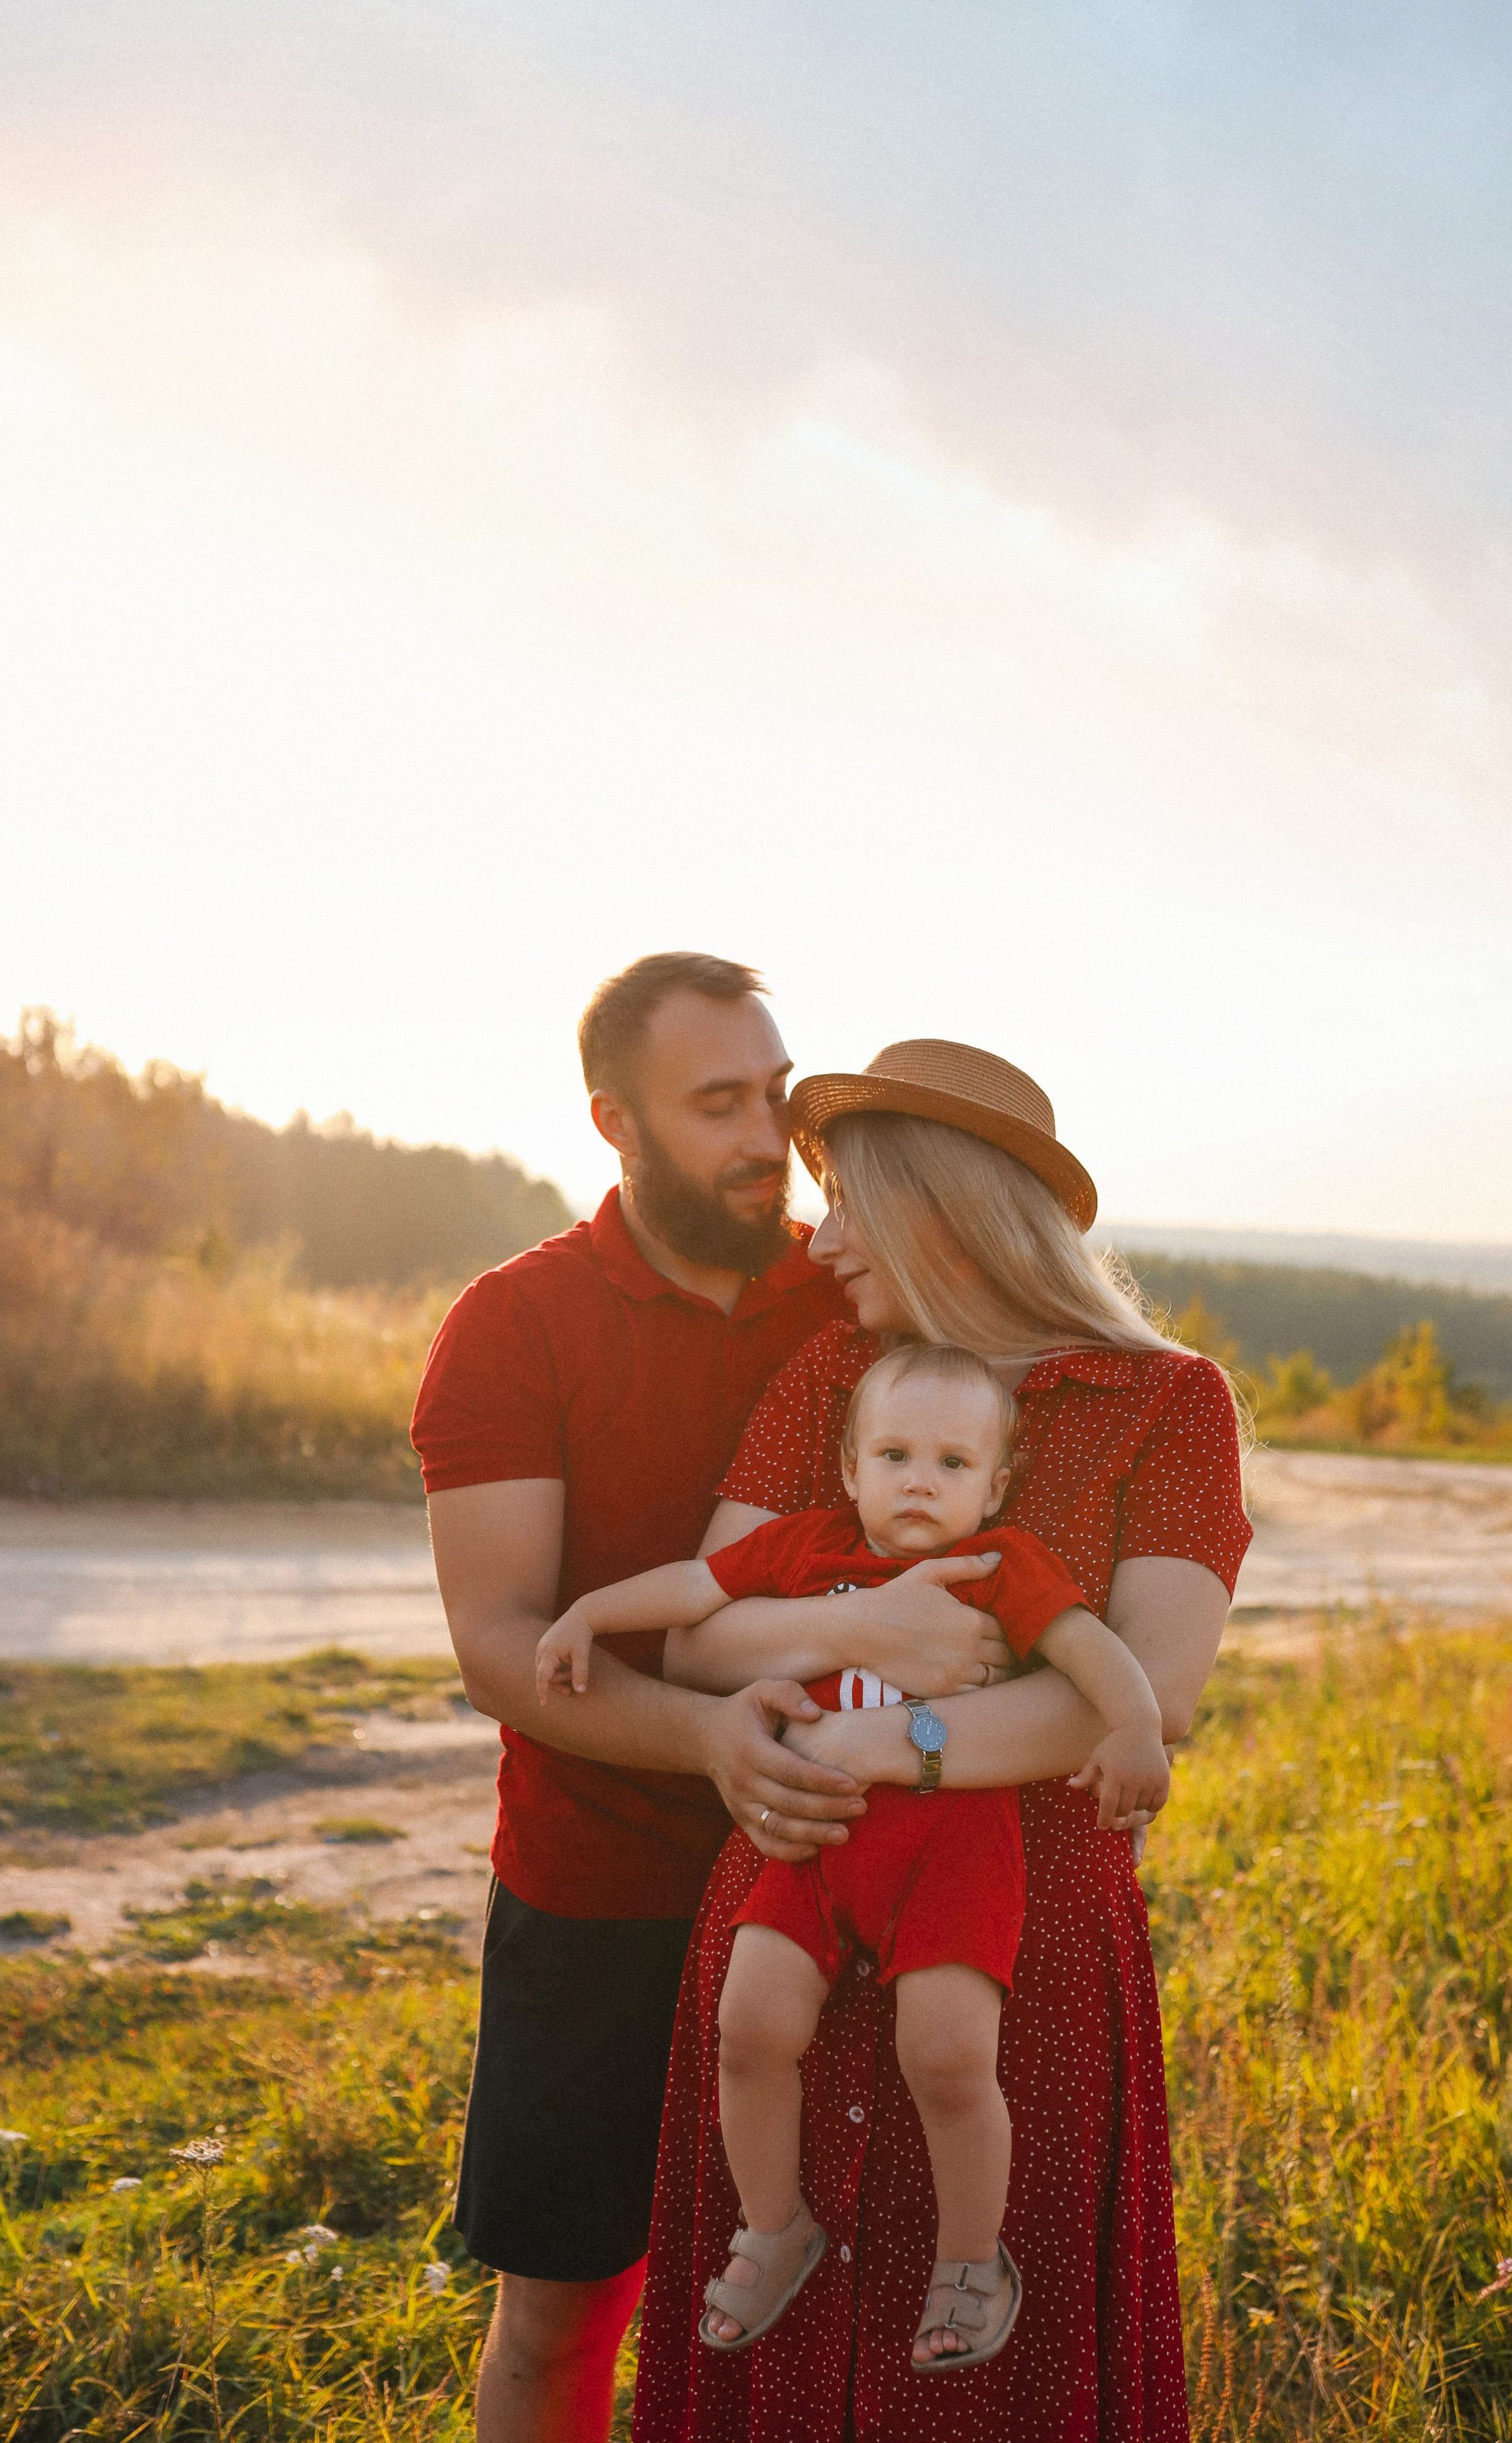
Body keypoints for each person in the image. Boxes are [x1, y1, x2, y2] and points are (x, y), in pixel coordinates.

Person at [412, 965, 1019, 2443]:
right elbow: (499, 1641)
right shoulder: (512, 1323)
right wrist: (703, 1736)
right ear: (613, 1120)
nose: (771, 1136)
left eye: (774, 1091)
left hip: (850, 1873)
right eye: (718, 1105)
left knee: (823, 2327)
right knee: (566, 2306)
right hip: (601, 1883)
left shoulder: (854, 1297)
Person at [633, 1039, 1253, 2443]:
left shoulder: (1166, 1406)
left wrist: (889, 1741)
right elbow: (698, 1638)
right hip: (792, 1908)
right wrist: (870, 1633)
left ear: (943, 1205)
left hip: (1015, 1950)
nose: (823, 1234)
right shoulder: (829, 1381)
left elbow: (1146, 1689)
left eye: (846, 1197)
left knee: (984, 2386)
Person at [536, 1336, 1171, 2376]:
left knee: (949, 2054)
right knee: (749, 2027)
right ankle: (776, 2227)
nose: (921, 1479)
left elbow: (1095, 1652)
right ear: (851, 1468)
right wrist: (589, 1613)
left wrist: (1135, 1727)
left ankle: (972, 2262)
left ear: (996, 1485)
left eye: (954, 1464)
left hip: (952, 1852)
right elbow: (696, 1591)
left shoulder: (999, 1567)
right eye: (896, 1455)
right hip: (815, 1840)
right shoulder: (806, 1551)